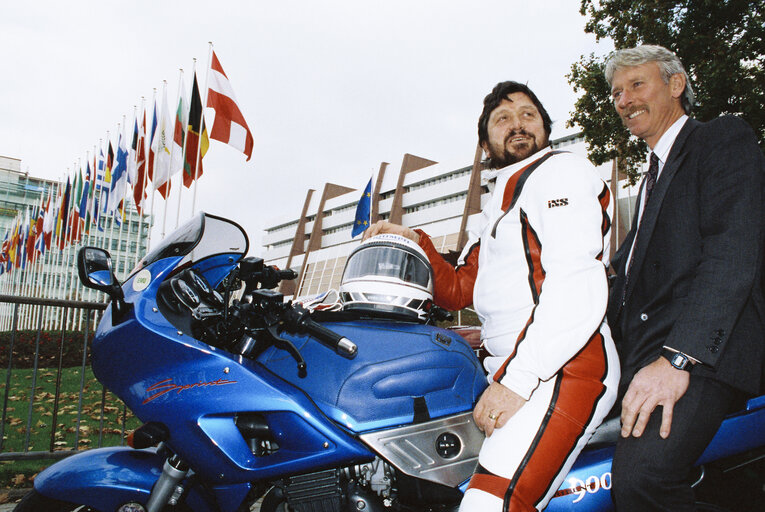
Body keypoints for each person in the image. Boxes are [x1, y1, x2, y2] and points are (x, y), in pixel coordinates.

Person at [364, 81, 619, 511]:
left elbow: (577, 283)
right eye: (503, 118)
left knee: (489, 504)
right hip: (514, 368)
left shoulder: (561, 172)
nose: (517, 124)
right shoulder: (499, 201)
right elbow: (459, 289)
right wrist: (413, 238)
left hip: (564, 367)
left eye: (528, 114)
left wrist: (516, 383)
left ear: (545, 128)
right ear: (486, 140)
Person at [605, 45, 765, 511]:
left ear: (677, 85)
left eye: (637, 84)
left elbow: (732, 254)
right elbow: (625, 281)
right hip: (638, 359)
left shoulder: (720, 138)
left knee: (641, 481)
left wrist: (678, 360)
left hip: (702, 357)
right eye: (617, 91)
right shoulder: (648, 179)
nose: (624, 99)